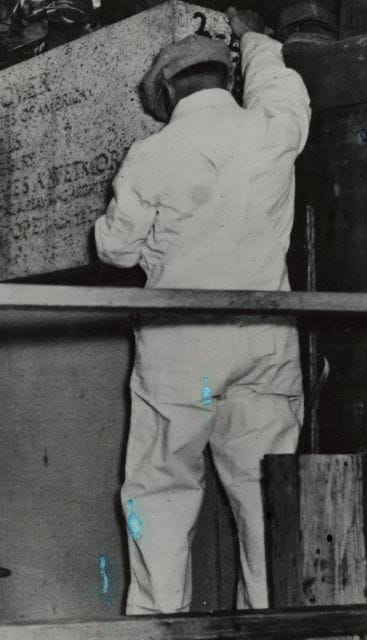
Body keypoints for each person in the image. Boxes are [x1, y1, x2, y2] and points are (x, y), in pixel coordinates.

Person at [93, 7, 310, 614]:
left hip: (183, 350)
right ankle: (273, 626)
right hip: (265, 344)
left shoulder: (151, 154)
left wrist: (143, 242)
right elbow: (279, 84)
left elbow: (115, 249)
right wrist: (253, 38)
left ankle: (158, 627)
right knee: (266, 497)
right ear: (228, 78)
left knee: (161, 491)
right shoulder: (270, 128)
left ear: (167, 93)